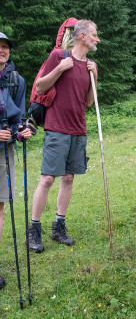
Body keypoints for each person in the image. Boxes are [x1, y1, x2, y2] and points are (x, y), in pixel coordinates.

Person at [28, 20, 99, 253]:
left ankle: (59, 226)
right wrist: (60, 68)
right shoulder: (59, 56)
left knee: (68, 179)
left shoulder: (89, 65)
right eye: (94, 35)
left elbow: (88, 102)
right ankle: (34, 229)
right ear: (81, 36)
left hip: (78, 129)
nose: (97, 39)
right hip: (56, 127)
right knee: (48, 179)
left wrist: (94, 77)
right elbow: (39, 87)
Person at [0, 32, 32, 289]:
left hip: (4, 151)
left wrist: (23, 130)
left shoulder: (16, 80)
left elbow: (19, 116)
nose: (2, 50)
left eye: (5, 47)